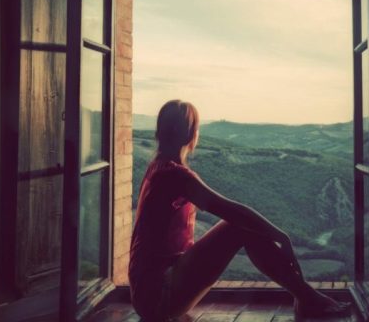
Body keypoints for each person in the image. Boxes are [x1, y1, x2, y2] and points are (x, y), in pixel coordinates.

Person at [128, 100, 351, 321]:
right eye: (195, 127)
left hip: (148, 292)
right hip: (158, 295)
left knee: (241, 226)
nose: (197, 133)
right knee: (239, 227)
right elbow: (231, 211)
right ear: (186, 133)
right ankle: (308, 298)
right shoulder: (175, 175)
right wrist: (280, 236)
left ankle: (305, 297)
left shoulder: (159, 166)